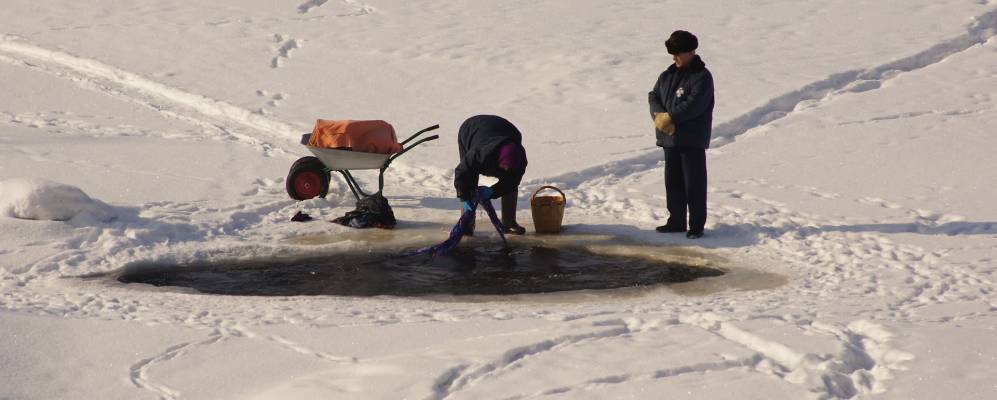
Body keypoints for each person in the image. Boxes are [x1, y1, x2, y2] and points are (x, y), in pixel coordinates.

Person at [648, 30, 715, 239]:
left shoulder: (702, 77)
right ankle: (676, 221)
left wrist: (670, 118)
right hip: (669, 139)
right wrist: (659, 116)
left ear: (691, 52)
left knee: (693, 183)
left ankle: (696, 225)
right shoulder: (666, 75)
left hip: (691, 139)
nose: (675, 58)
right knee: (673, 182)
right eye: (673, 54)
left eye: (678, 54)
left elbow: (694, 105)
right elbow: (653, 96)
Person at [454, 115, 528, 235]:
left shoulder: (520, 161)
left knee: (510, 182)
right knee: (469, 180)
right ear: (499, 159)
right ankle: (467, 224)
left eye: (509, 168)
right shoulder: (480, 154)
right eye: (504, 166)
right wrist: (464, 198)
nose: (506, 169)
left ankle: (509, 221)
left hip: (506, 130)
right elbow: (462, 173)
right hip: (470, 129)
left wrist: (493, 191)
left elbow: (512, 182)